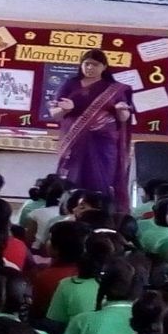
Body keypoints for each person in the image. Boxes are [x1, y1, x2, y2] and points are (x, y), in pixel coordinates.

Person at [49, 49, 132, 214]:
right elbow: (55, 114)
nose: (90, 68)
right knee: (72, 178)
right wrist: (65, 109)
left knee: (101, 179)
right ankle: (70, 212)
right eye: (86, 64)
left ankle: (101, 213)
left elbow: (124, 117)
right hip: (75, 140)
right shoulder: (70, 84)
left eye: (95, 65)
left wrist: (121, 110)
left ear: (104, 67)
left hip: (104, 143)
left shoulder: (115, 89)